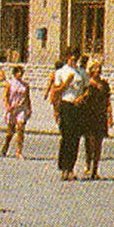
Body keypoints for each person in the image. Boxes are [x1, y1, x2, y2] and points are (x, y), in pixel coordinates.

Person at [48, 52, 85, 180]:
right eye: (73, 59)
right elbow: (56, 90)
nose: (74, 61)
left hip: (78, 106)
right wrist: (66, 84)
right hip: (66, 104)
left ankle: (71, 168)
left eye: (77, 59)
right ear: (68, 58)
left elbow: (86, 88)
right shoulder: (61, 72)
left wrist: (81, 97)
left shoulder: (81, 72)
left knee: (75, 138)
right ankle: (64, 167)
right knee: (66, 137)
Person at [78, 61, 114, 179]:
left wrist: (110, 116)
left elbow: (107, 101)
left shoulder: (104, 84)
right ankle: (88, 163)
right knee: (89, 142)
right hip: (88, 114)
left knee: (98, 142)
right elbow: (82, 97)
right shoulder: (87, 83)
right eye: (95, 68)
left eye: (99, 68)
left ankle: (95, 169)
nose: (97, 71)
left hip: (100, 114)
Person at [0, 65, 32, 159]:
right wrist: (7, 106)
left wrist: (29, 109)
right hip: (12, 108)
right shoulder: (9, 83)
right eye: (18, 72)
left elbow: (27, 97)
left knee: (20, 127)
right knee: (10, 131)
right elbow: (5, 96)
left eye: (21, 72)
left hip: (21, 108)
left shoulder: (25, 85)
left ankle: (19, 151)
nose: (20, 74)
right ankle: (6, 145)